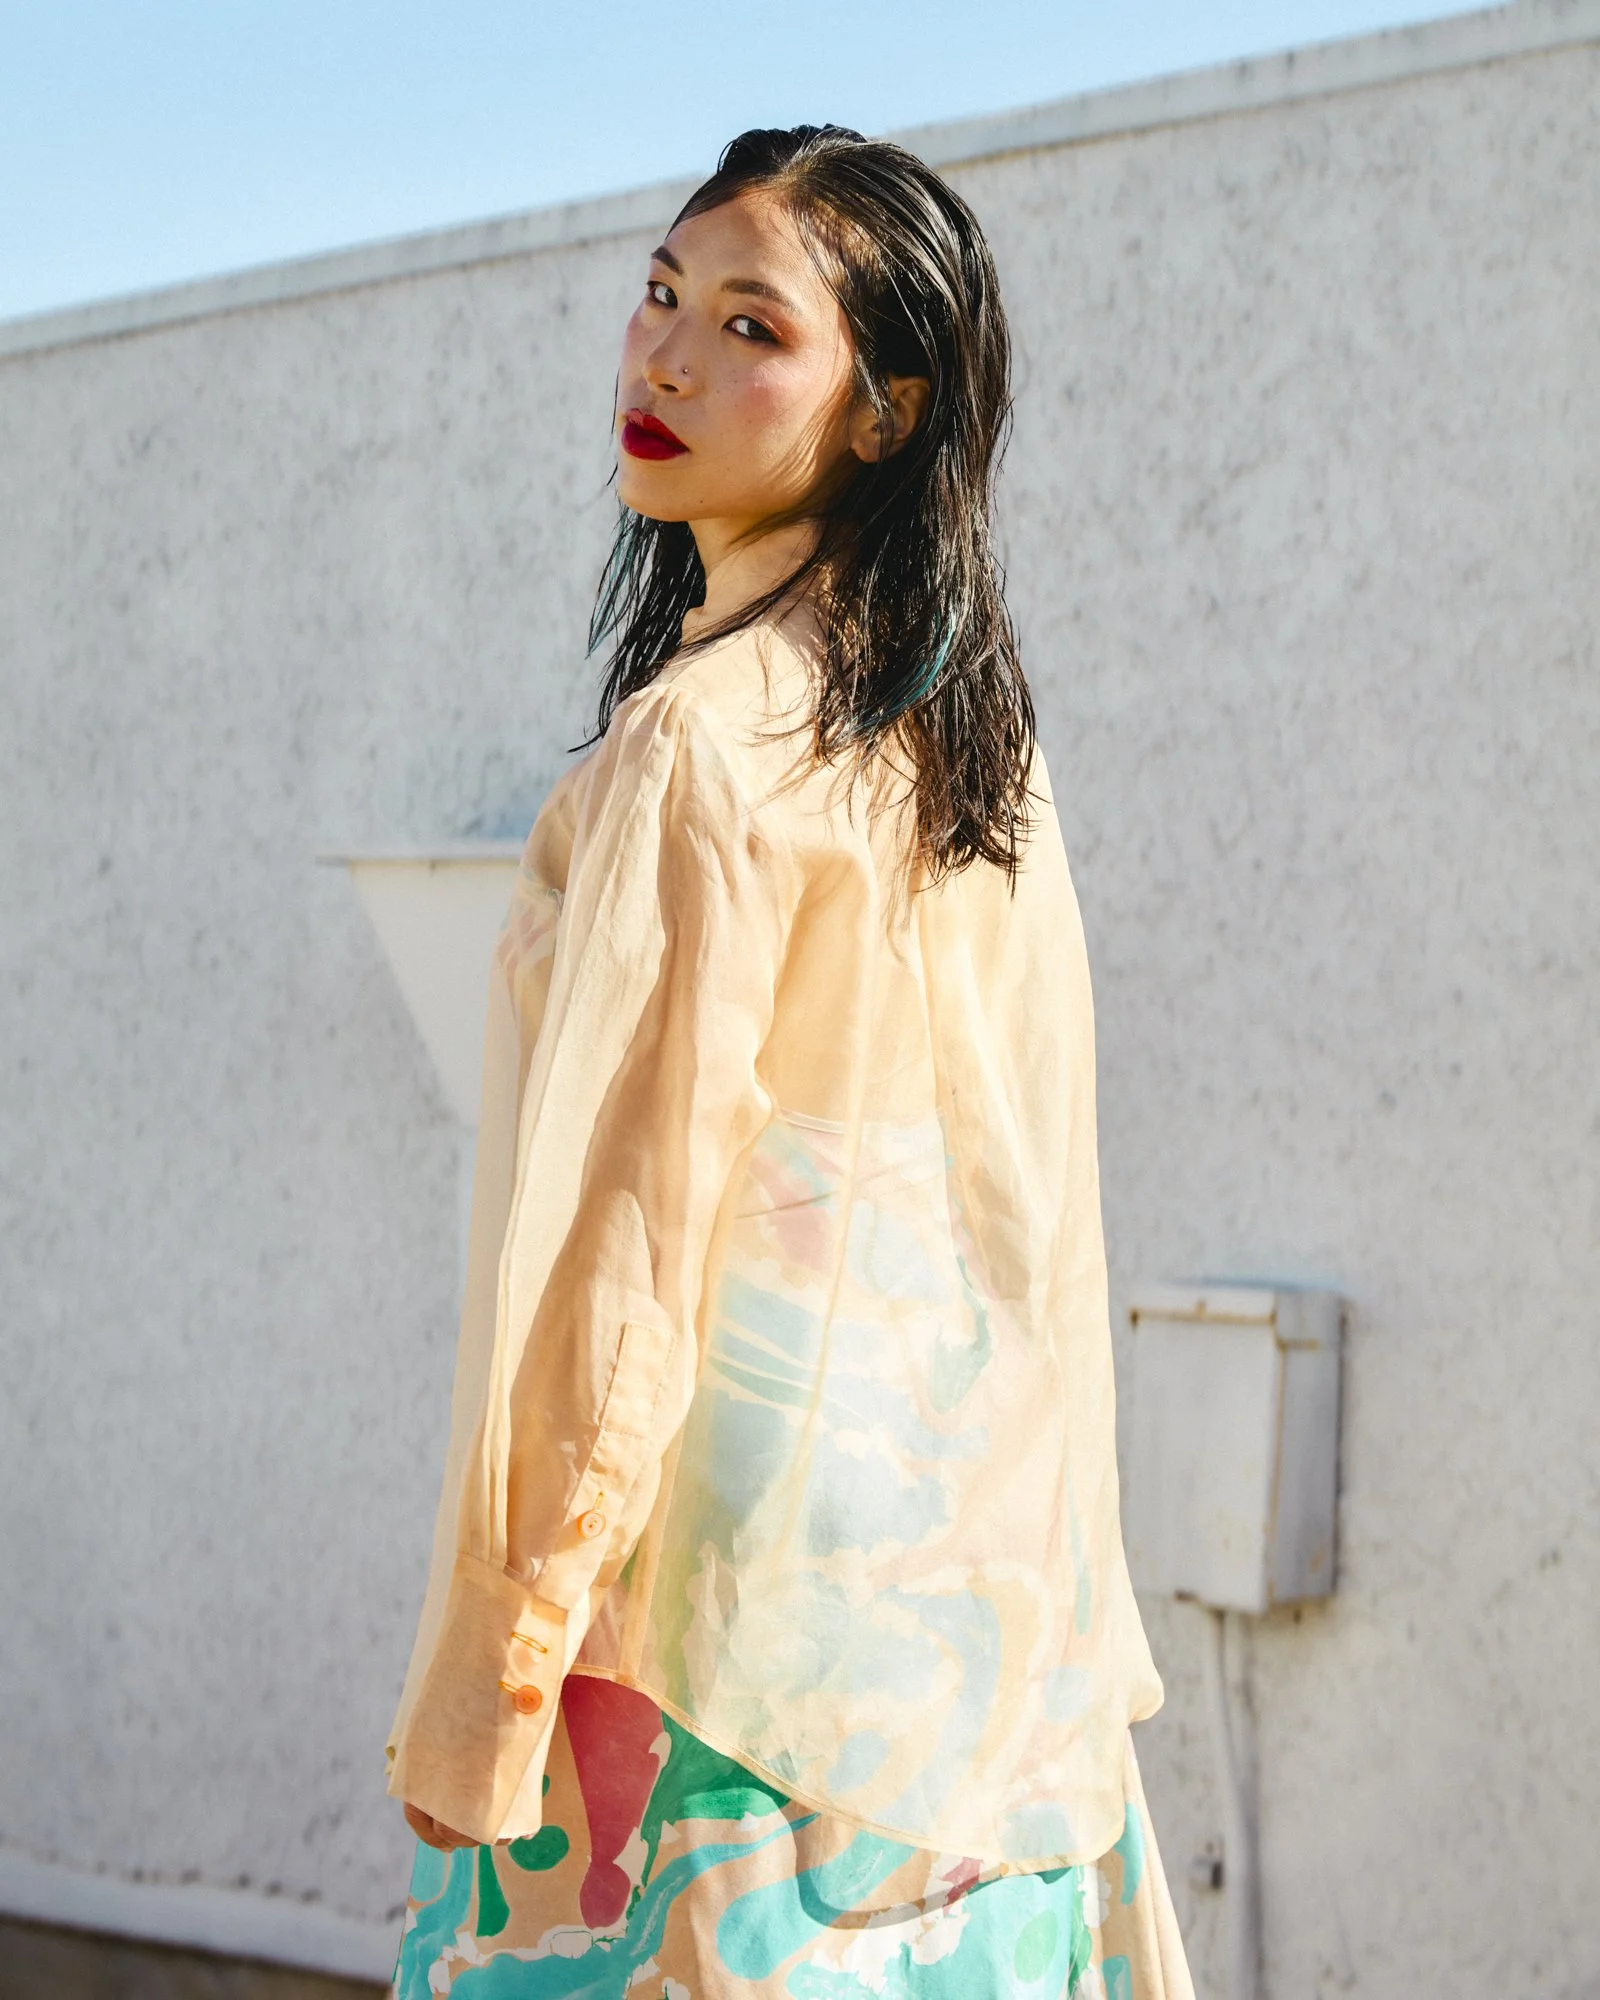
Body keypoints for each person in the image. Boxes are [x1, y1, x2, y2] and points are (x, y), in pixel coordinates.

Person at [384, 123, 1194, 2000]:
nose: (663, 358)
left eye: (753, 324)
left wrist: (494, 1677)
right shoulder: (971, 752)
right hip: (969, 1645)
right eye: (661, 293)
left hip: (716, 1644)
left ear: (889, 409)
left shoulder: (699, 746)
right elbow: (1029, 1223)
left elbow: (623, 1255)